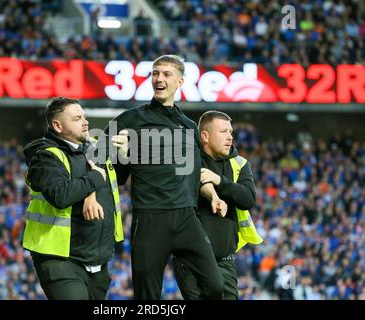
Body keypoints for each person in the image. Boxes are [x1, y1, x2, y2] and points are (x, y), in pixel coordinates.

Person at [105, 55, 224, 300]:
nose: (159, 78)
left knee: (214, 286)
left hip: (186, 217)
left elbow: (197, 172)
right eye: (155, 73)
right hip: (149, 217)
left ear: (180, 82)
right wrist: (123, 155)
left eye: (166, 74)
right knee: (147, 297)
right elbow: (107, 171)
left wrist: (212, 194)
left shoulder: (190, 126)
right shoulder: (130, 120)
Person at [22, 97, 128, 300]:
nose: (85, 122)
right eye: (77, 118)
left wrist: (124, 155)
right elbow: (61, 196)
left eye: (84, 116)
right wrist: (94, 180)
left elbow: (116, 179)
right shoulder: (45, 156)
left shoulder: (96, 147)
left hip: (99, 260)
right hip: (61, 260)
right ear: (58, 125)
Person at [173, 110, 263, 299]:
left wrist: (219, 181)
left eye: (230, 132)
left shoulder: (239, 164)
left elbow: (248, 199)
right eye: (223, 132)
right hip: (190, 261)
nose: (230, 137)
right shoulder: (187, 158)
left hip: (225, 261)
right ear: (205, 136)